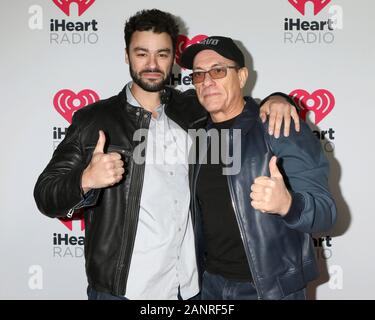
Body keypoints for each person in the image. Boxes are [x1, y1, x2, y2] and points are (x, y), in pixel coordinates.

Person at [34, 10, 299, 300]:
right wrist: (85, 180)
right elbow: (46, 195)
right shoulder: (94, 120)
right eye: (141, 53)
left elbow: (235, 102)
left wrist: (279, 100)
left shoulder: (193, 111)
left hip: (190, 288)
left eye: (161, 54)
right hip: (123, 290)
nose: (151, 64)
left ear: (173, 57)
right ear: (126, 56)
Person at [180, 36, 337, 300]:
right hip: (208, 286)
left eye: (218, 71)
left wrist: (289, 205)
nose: (207, 81)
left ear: (241, 77)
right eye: (198, 75)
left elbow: (326, 212)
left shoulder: (280, 126)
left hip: (269, 289)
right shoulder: (196, 132)